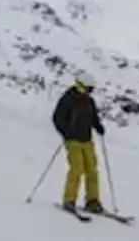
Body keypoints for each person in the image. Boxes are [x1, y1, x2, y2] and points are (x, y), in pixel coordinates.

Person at [51, 76, 106, 214]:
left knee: (92, 170)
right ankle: (69, 200)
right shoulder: (68, 99)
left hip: (87, 139)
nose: (90, 92)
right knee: (77, 169)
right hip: (72, 140)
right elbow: (57, 118)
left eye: (91, 89)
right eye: (88, 89)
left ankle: (92, 201)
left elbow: (93, 117)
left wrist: (98, 126)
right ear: (80, 86)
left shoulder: (89, 100)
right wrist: (66, 132)